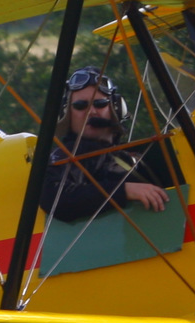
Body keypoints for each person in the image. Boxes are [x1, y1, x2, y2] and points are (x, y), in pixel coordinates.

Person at [40, 67, 173, 223]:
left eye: (100, 104)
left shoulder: (127, 154)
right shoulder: (69, 154)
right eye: (81, 106)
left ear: (116, 108)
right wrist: (125, 190)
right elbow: (52, 197)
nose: (91, 112)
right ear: (66, 113)